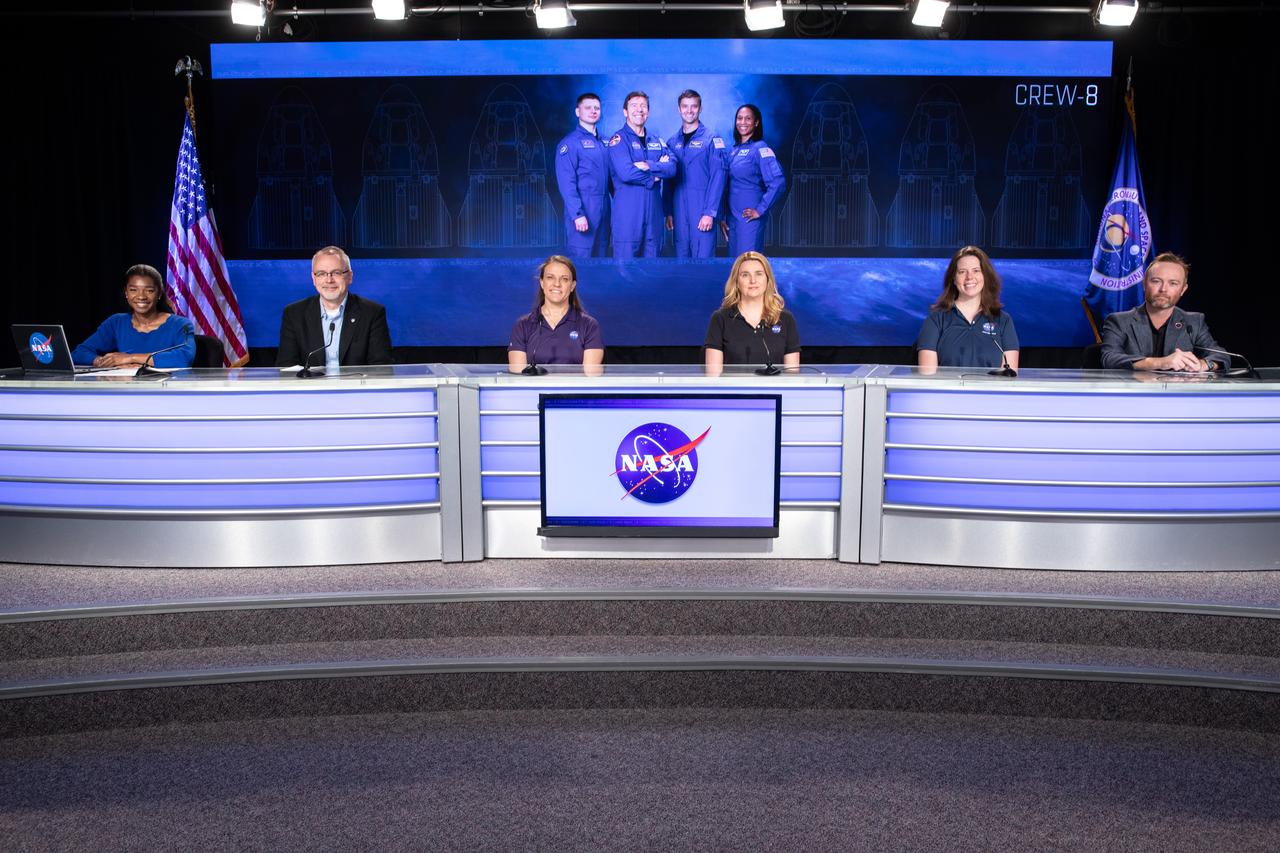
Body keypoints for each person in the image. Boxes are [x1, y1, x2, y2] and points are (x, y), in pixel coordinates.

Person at [1100, 252, 1228, 372]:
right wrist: (1160, 362)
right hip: (1134, 388)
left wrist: (1204, 364)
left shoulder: (1194, 322)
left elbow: (1221, 356)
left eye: (1173, 283)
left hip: (1177, 389)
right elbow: (1109, 359)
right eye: (1156, 281)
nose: (1163, 289)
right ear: (1144, 284)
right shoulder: (1119, 321)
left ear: (1183, 289)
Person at [276, 246, 392, 368]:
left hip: (357, 380)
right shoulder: (294, 314)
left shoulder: (372, 313)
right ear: (314, 279)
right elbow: (286, 366)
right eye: (321, 274)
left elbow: (381, 367)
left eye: (336, 273)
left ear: (350, 276)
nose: (329, 280)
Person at [72, 264, 196, 368]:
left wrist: (130, 358)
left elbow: (185, 358)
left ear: (159, 294)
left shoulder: (181, 324)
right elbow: (79, 353)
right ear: (126, 293)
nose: (141, 296)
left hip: (167, 388)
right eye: (133, 290)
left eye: (149, 290)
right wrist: (105, 362)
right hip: (125, 387)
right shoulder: (116, 322)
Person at [915, 246, 1019, 370]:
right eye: (962, 272)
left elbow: (1009, 376)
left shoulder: (1003, 320)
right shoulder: (936, 319)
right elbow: (927, 376)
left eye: (976, 270)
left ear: (985, 276)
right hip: (948, 384)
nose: (969, 277)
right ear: (954, 279)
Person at [607, 90, 676, 258]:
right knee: (626, 266)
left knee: (652, 267)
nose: (639, 110)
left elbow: (672, 167)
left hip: (653, 215)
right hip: (628, 215)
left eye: (643, 106)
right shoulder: (618, 140)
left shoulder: (656, 140)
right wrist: (654, 176)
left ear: (648, 112)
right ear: (625, 111)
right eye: (634, 106)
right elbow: (626, 173)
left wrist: (648, 165)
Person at [704, 251, 800, 370]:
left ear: (768, 279)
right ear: (736, 282)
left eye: (759, 274)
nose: (753, 280)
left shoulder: (785, 319)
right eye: (745, 275)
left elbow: (792, 374)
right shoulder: (720, 318)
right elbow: (713, 375)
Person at [508, 255, 604, 372]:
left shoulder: (589, 325)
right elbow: (519, 375)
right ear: (542, 283)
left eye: (564, 279)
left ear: (572, 286)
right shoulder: (522, 326)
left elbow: (591, 375)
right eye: (550, 277)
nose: (557, 284)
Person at [663, 89, 728, 259]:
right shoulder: (672, 142)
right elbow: (668, 181)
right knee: (682, 259)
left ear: (700, 108)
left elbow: (718, 179)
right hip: (679, 211)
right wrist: (668, 211)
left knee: (703, 261)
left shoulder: (712, 140)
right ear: (679, 109)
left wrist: (710, 212)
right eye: (685, 106)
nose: (689, 110)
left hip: (701, 210)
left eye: (694, 106)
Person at [722, 104, 785, 257]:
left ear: (756, 122)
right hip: (732, 219)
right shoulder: (733, 151)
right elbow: (726, 186)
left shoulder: (760, 149)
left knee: (748, 263)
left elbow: (778, 182)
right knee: (734, 265)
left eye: (748, 118)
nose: (742, 122)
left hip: (749, 219)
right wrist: (722, 217)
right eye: (739, 118)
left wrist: (760, 209)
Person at [554, 93, 611, 258]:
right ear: (577, 112)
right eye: (588, 108)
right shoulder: (569, 144)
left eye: (597, 108)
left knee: (602, 259)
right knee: (581, 260)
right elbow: (567, 184)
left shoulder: (606, 142)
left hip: (605, 209)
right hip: (584, 207)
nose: (593, 111)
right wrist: (577, 214)